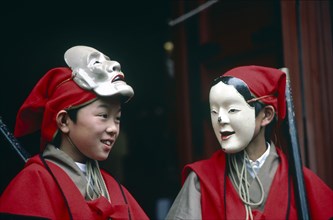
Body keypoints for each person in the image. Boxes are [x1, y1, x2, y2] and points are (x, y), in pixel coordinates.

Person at [0, 45, 149, 220]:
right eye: (103, 115)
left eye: (117, 118)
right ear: (64, 121)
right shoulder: (34, 183)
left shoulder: (113, 188)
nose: (113, 128)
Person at [166, 65, 333, 219]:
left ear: (266, 115)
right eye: (214, 111)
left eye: (232, 110)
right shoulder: (200, 180)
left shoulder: (300, 180)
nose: (221, 119)